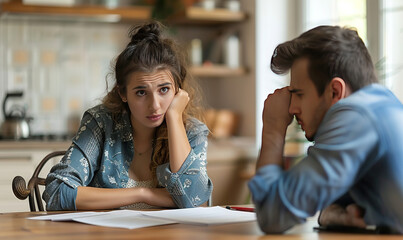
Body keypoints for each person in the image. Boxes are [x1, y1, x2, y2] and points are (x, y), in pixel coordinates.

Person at [248, 25, 403, 234]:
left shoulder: (356, 116)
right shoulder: (381, 105)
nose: (292, 108)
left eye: (299, 94)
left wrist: (273, 128)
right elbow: (342, 204)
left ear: (335, 91)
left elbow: (272, 214)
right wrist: (332, 213)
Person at [43, 21, 213, 210]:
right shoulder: (101, 123)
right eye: (141, 92)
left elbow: (197, 203)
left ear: (178, 91)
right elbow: (57, 192)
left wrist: (173, 117)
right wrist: (143, 194)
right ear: (123, 94)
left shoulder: (192, 132)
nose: (155, 105)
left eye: (164, 90)